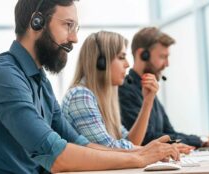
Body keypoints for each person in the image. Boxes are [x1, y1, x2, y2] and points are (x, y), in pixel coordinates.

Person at [0, 1, 180, 173]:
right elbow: (56, 154)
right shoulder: (3, 76)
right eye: (68, 25)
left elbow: (78, 142)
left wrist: (139, 152)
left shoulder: (39, 80)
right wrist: (139, 159)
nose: (74, 38)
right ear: (36, 22)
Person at [61, 31, 192, 153]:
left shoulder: (104, 99)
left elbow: (131, 142)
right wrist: (153, 150)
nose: (127, 64)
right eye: (121, 57)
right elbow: (107, 148)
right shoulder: (80, 96)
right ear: (102, 63)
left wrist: (147, 101)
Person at [119, 27, 209, 148]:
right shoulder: (124, 90)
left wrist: (203, 140)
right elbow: (147, 139)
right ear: (142, 54)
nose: (167, 64)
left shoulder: (149, 90)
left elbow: (169, 133)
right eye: (162, 57)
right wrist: (203, 140)